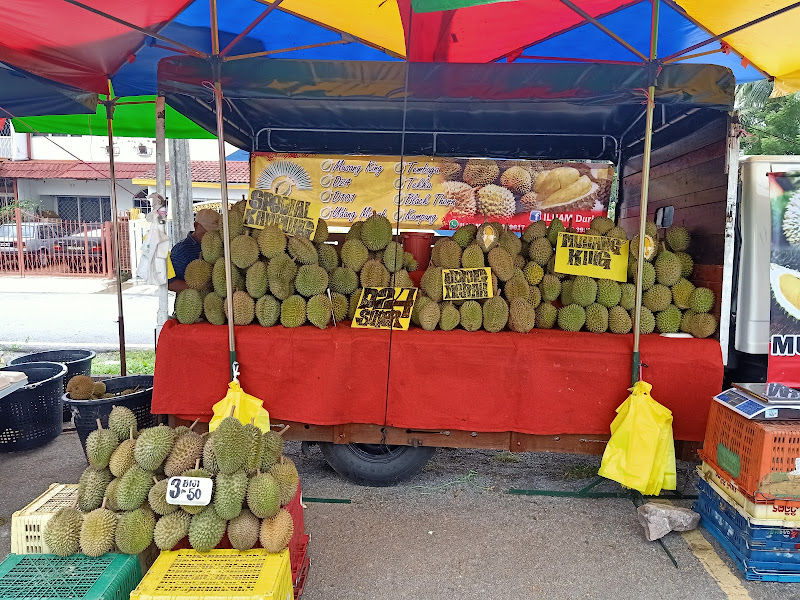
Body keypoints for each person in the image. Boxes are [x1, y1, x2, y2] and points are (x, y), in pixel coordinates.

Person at [167, 209, 220, 292]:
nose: (211, 237)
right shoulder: (182, 250)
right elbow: (170, 283)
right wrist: (200, 289)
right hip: (191, 301)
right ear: (196, 226)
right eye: (207, 232)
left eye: (215, 233)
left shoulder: (218, 245)